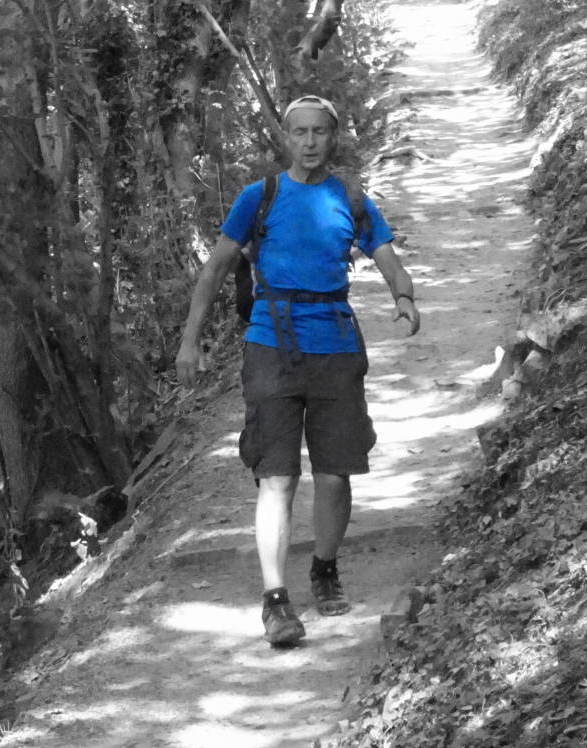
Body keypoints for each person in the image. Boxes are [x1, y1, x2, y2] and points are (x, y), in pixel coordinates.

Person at [175, 94, 420, 647]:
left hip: (335, 345)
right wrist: (190, 341)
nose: (310, 142)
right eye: (300, 132)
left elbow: (387, 258)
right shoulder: (258, 197)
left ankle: (325, 568)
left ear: (333, 137)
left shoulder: (350, 200)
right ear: (285, 138)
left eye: (319, 132)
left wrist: (404, 298)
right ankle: (275, 600)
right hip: (270, 346)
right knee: (277, 476)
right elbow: (215, 269)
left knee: (335, 472)